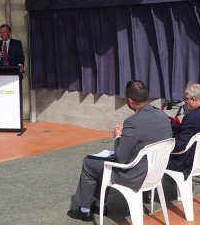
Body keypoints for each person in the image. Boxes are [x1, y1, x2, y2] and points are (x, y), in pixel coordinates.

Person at [67, 80, 172, 222]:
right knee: (102, 163)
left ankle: (84, 210)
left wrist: (118, 137)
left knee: (89, 163)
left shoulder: (132, 122)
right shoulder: (162, 116)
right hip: (156, 171)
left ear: (130, 101)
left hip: (134, 174)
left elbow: (120, 158)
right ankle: (99, 204)